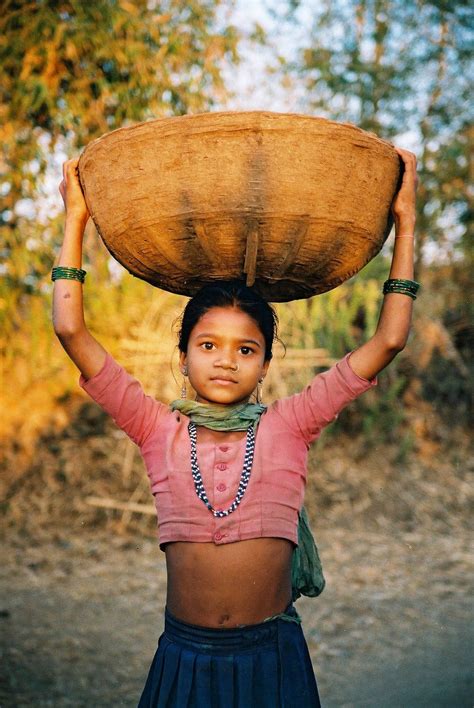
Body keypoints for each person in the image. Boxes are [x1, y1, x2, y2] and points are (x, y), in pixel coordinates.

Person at [52, 147, 418, 707]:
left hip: (272, 660)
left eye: (245, 349)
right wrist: (75, 219)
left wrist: (406, 223)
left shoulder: (291, 424)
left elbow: (388, 340)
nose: (225, 360)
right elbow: (72, 330)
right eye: (208, 345)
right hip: (184, 659)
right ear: (183, 357)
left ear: (266, 364)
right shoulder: (156, 429)